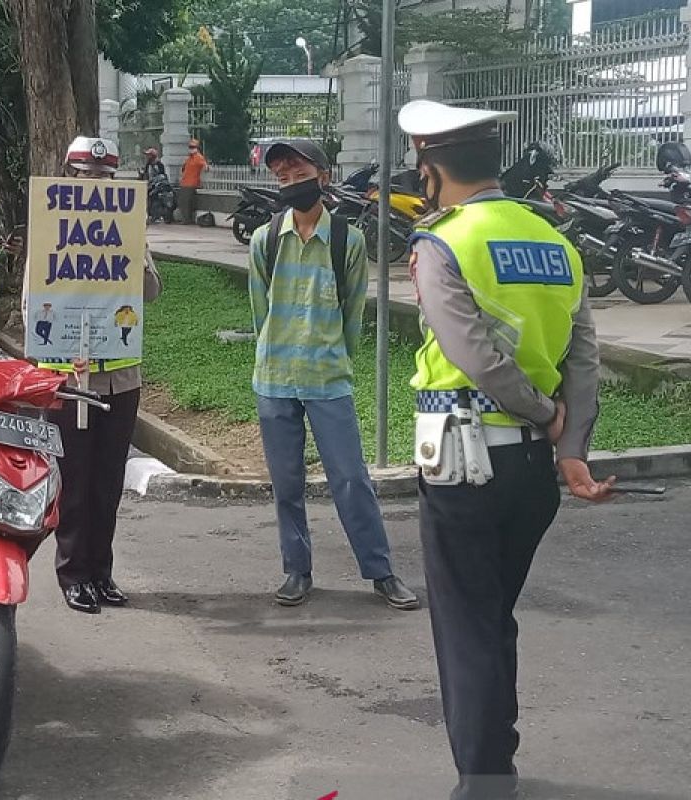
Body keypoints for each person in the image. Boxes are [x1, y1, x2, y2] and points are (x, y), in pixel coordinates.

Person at [398, 100, 616, 800]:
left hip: (465, 463)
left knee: (466, 627)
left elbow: (475, 356)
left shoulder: (443, 244)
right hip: (532, 475)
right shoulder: (556, 240)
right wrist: (570, 442)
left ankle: (485, 782)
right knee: (492, 621)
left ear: (430, 171)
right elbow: (584, 356)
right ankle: (496, 765)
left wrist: (542, 411)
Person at [249, 138, 418, 611]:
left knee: (350, 478)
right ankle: (296, 570)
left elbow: (352, 317)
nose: (288, 179)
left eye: (297, 171)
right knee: (286, 483)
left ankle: (381, 570)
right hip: (275, 379)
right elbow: (259, 310)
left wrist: (335, 358)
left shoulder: (348, 239)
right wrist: (274, 354)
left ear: (322, 176)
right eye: (281, 174)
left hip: (328, 379)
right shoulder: (264, 239)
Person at [33, 136, 163, 614]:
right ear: (70, 178)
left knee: (108, 481)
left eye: (104, 177)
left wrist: (135, 249)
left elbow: (150, 293)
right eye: (86, 176)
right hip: (69, 377)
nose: (95, 185)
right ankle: (72, 573)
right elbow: (35, 305)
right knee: (75, 480)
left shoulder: (126, 229)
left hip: (120, 377)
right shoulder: (50, 232)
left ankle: (101, 572)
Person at [178, 138, 209, 224]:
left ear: (197, 148)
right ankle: (186, 219)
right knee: (183, 202)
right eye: (190, 147)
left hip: (191, 184)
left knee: (186, 203)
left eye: (193, 147)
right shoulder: (189, 158)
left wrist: (205, 169)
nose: (191, 149)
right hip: (185, 183)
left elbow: (205, 166)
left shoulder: (198, 157)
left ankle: (187, 220)